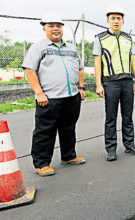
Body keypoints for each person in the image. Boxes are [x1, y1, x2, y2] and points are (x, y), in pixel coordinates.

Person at [22, 15, 86, 177]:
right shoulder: (39, 47)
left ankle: (69, 155)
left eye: (58, 25)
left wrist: (81, 87)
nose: (55, 28)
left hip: (72, 96)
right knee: (45, 130)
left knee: (68, 128)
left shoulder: (71, 48)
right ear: (44, 28)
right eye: (51, 26)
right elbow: (29, 69)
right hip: (49, 98)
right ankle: (42, 163)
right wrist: (39, 93)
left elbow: (79, 68)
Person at [93, 6, 135, 161]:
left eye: (118, 18)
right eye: (113, 18)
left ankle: (129, 144)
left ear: (123, 21)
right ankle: (111, 148)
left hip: (127, 82)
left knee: (128, 115)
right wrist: (99, 84)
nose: (116, 21)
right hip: (110, 83)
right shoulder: (100, 38)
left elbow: (133, 60)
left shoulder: (128, 38)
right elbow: (97, 62)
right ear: (108, 21)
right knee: (111, 117)